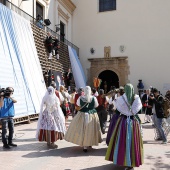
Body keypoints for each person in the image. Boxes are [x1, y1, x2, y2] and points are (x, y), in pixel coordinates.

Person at [105, 83, 143, 169]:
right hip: (133, 122)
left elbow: (116, 108)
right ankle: (132, 162)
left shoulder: (121, 98)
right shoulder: (136, 98)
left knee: (122, 140)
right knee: (133, 141)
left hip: (123, 122)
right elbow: (138, 109)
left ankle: (124, 160)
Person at [64, 86, 102, 152]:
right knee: (91, 129)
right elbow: (96, 105)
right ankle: (90, 143)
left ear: (84, 91)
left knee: (83, 129)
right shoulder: (94, 98)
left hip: (82, 114)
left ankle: (85, 146)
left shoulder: (80, 98)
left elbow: (78, 104)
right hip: (92, 115)